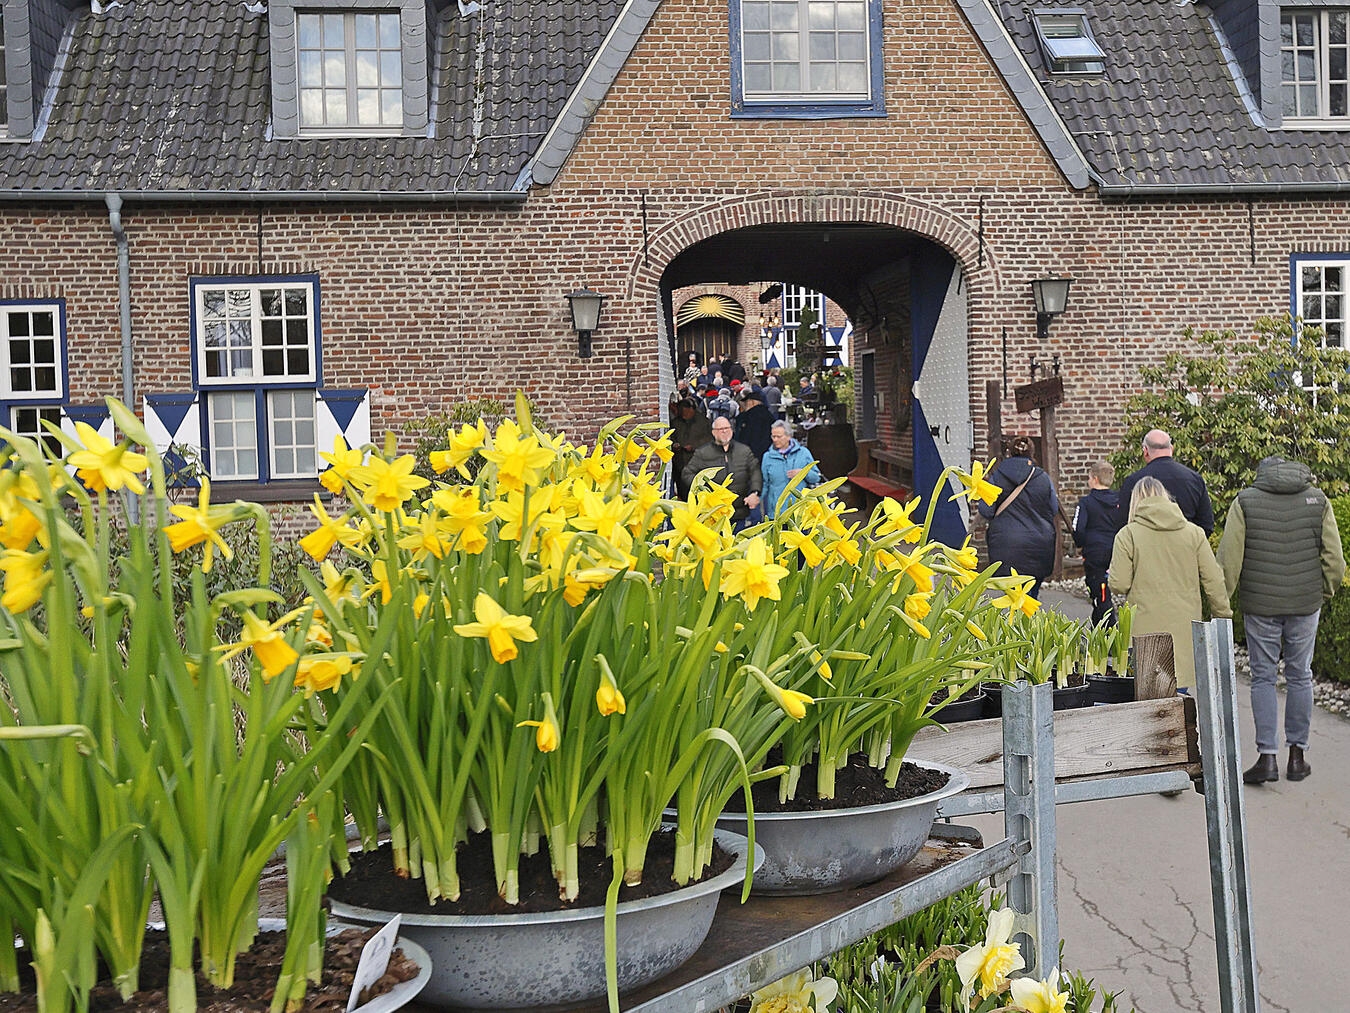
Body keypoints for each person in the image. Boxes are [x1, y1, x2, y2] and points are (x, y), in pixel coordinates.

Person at [1217, 456, 1345, 785]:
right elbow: (1334, 559)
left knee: (1263, 677)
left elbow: (1229, 558)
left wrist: (1221, 604)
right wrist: (1324, 592)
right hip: (1305, 603)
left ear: (1261, 474)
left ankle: (1267, 758)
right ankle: (1297, 758)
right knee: (1300, 675)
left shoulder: (1245, 501)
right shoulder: (1318, 500)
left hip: (1261, 604)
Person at [1109, 477, 1231, 692]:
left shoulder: (1128, 535)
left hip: (1144, 632)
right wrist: (1222, 615)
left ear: (1135, 501)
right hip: (1184, 628)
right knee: (1179, 695)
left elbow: (1119, 583)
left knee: (1145, 698)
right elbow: (1213, 580)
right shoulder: (1194, 533)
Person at [977, 435, 1059, 598]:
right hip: (1039, 544)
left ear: (1009, 453)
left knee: (1012, 598)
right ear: (1032, 453)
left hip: (1006, 544)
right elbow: (1053, 508)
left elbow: (986, 510)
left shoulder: (997, 477)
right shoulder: (1043, 478)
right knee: (1030, 599)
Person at [1116, 429, 1214, 536]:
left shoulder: (1134, 481)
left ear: (1145, 451)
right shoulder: (1194, 479)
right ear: (1171, 448)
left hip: (1146, 543)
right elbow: (1206, 524)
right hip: (1184, 542)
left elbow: (1122, 523)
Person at [682, 416, 762, 529]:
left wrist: (755, 492)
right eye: (720, 429)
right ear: (713, 432)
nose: (724, 431)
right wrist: (704, 491)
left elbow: (755, 471)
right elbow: (687, 474)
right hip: (713, 514)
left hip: (739, 512)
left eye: (727, 428)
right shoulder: (703, 453)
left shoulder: (744, 451)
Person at [1072, 460, 1120, 626]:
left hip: (1095, 552)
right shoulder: (1119, 501)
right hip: (1116, 549)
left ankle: (1108, 626)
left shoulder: (1086, 503)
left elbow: (1078, 529)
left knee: (1099, 591)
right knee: (1104, 590)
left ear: (1095, 479)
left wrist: (1081, 544)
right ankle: (1099, 626)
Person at [760, 420, 821, 518]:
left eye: (778, 436)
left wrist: (803, 473)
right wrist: (756, 499)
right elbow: (764, 483)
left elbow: (816, 477)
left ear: (788, 436)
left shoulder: (803, 453)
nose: (775, 439)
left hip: (799, 512)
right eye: (773, 436)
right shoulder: (767, 457)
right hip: (776, 513)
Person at [670, 397, 713, 499]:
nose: (684, 415)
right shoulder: (676, 422)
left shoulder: (703, 421)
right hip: (680, 462)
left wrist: (693, 445)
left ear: (691, 409)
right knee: (683, 489)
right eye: (681, 413)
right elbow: (671, 437)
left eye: (686, 413)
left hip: (698, 461)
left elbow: (709, 439)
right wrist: (674, 445)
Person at [734, 386, 774, 461]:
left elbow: (740, 436)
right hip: (766, 453)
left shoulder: (745, 416)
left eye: (746, 402)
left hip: (747, 453)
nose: (745, 404)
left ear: (752, 402)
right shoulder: (770, 416)